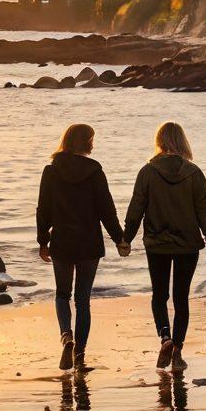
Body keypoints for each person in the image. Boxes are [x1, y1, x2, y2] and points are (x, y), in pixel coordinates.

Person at [37, 123, 129, 371]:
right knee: (83, 300)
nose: (93, 144)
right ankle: (79, 355)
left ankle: (66, 335)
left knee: (62, 294)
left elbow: (43, 209)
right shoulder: (95, 171)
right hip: (89, 243)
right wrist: (119, 238)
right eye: (91, 139)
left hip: (62, 241)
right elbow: (106, 209)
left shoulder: (51, 171)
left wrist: (43, 241)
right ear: (85, 142)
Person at [123, 121, 206, 371]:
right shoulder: (194, 173)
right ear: (182, 141)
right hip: (187, 245)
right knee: (181, 297)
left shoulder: (147, 172)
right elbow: (205, 209)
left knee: (159, 295)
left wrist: (126, 238)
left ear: (159, 141)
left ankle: (165, 337)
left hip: (157, 245)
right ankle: (177, 351)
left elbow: (136, 208)